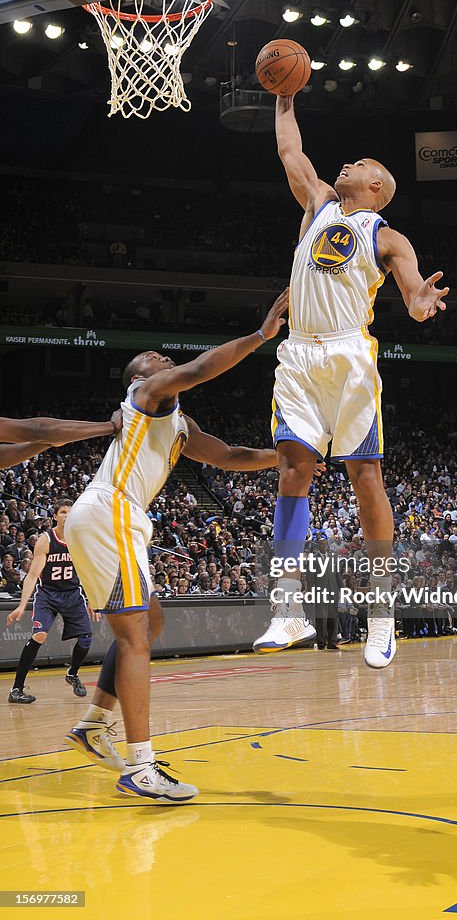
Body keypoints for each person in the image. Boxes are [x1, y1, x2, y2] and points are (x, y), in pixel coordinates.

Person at [64, 291, 288, 805]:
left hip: (112, 516)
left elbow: (229, 455)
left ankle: (94, 724)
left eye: (163, 357)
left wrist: (284, 458)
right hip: (112, 510)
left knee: (152, 622)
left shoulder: (179, 426)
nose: (161, 359)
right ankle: (141, 767)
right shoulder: (146, 393)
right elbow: (199, 369)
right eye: (151, 359)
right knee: (138, 638)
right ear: (138, 377)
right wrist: (260, 336)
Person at [253, 94, 447, 669]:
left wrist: (419, 305)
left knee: (365, 476)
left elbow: (413, 293)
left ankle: (381, 614)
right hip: (299, 354)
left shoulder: (387, 236)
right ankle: (286, 609)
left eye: (361, 164)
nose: (348, 165)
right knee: (293, 470)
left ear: (378, 186)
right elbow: (290, 149)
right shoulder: (317, 203)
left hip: (348, 356)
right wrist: (285, 98)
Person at [6, 499, 97, 703]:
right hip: (48, 594)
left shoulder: (80, 540)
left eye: (70, 512)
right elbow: (31, 576)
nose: (67, 515)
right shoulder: (46, 540)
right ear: (55, 516)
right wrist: (21, 606)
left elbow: (87, 572)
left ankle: (72, 674)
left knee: (86, 640)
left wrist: (92, 598)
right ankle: (16, 690)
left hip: (73, 594)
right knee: (39, 635)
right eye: (63, 512)